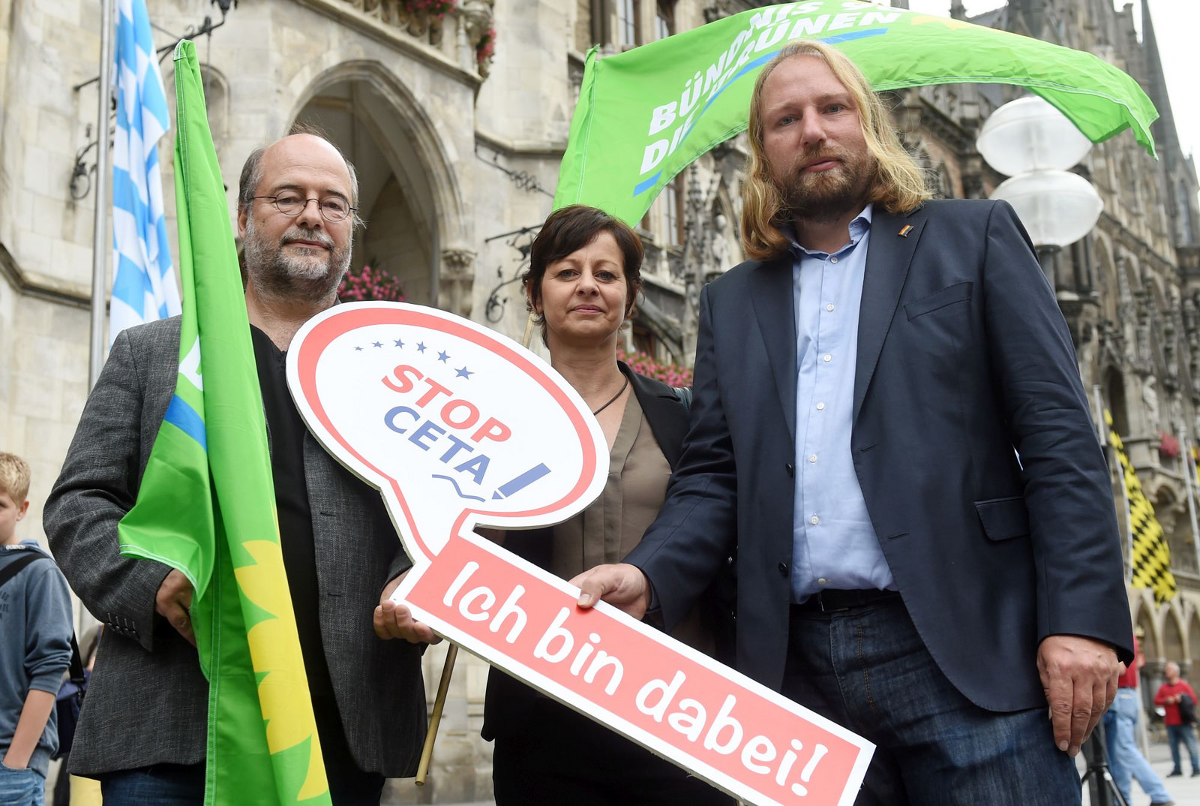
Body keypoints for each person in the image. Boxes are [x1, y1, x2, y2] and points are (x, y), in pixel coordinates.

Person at [573, 40, 1133, 805]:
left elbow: (1060, 440)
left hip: (964, 654)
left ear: (868, 124)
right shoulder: (733, 303)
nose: (813, 131)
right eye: (786, 119)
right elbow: (713, 478)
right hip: (798, 675)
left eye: (832, 108)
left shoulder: (975, 238)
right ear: (763, 155)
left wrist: (1082, 621)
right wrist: (647, 571)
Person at [44, 133, 426, 806]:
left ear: (351, 231)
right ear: (244, 217)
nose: (313, 215)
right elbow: (79, 504)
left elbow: (429, 521)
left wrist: (415, 584)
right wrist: (153, 583)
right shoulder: (153, 353)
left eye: (333, 204)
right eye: (288, 197)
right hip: (174, 735)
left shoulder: (394, 382)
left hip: (338, 733)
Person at [479, 205, 732, 805]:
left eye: (606, 273)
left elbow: (719, 519)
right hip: (541, 716)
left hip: (680, 718)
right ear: (533, 296)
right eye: (567, 272)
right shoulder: (491, 418)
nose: (588, 285)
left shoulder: (684, 415)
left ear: (632, 295)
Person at [0, 452, 73, 806]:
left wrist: (15, 762)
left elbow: (50, 668)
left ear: (21, 509)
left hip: (9, 765)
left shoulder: (38, 573)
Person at [1103, 635, 1174, 805]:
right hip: (1129, 695)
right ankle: (1122, 800)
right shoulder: (1132, 637)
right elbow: (1138, 662)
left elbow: (1120, 668)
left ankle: (1159, 795)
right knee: (1119, 756)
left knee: (1124, 750)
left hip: (1120, 696)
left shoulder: (1118, 633)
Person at [1155, 661, 1200, 777]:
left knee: (1191, 745)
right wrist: (1166, 700)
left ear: (1176, 672)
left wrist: (1181, 698)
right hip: (1170, 722)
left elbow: (1193, 700)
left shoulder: (1183, 685)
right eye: (1166, 670)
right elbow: (1156, 700)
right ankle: (1177, 768)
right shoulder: (1163, 687)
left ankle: (1196, 767)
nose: (1167, 672)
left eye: (1169, 670)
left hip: (1184, 721)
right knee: (1174, 747)